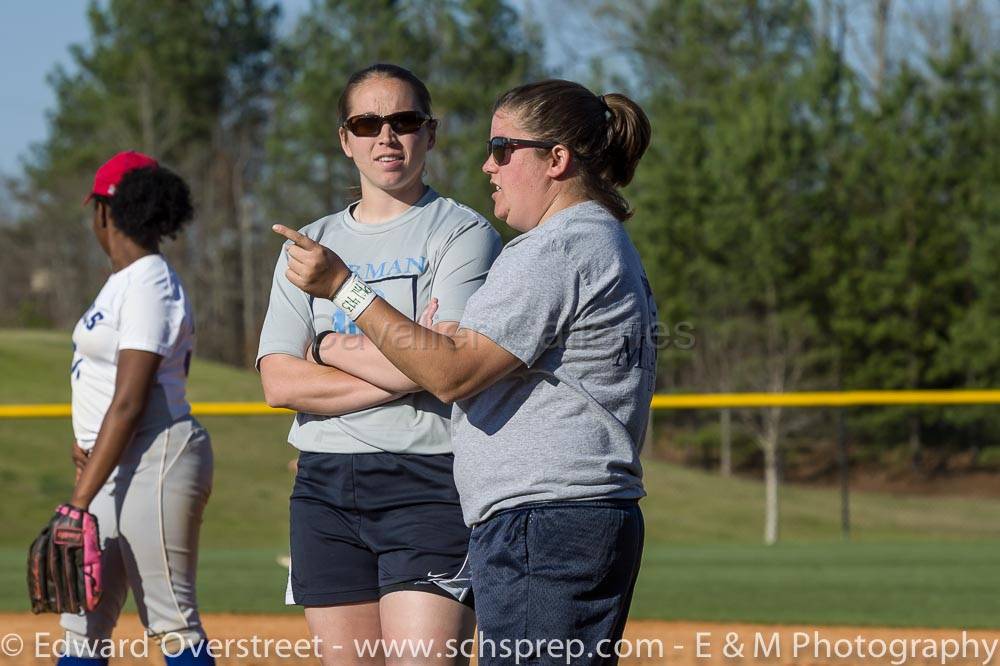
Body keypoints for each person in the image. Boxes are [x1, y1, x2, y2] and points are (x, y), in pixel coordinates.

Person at [274, 78, 656, 666]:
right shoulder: (591, 240)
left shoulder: (555, 249)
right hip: (556, 519)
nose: (488, 165)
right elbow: (439, 354)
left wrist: (344, 294)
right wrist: (414, 347)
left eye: (504, 149)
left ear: (556, 159)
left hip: (546, 521)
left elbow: (448, 371)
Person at [256, 63, 500, 665]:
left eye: (404, 121)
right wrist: (411, 357)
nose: (386, 137)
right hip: (323, 486)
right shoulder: (307, 247)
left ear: (431, 133)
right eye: (367, 123)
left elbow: (451, 369)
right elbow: (278, 382)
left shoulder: (464, 234)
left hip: (429, 482)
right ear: (345, 139)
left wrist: (331, 349)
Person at [61, 151, 214, 665]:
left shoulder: (149, 279)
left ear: (104, 210)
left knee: (170, 617)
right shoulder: (124, 282)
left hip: (155, 454)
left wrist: (76, 503)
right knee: (81, 616)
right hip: (111, 464)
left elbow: (129, 401)